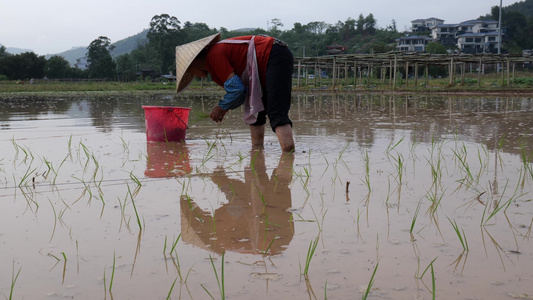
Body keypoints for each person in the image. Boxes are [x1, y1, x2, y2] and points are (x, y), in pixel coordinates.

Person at [175, 33, 295, 152]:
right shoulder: (214, 64)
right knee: (256, 113)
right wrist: (224, 108)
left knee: (276, 113)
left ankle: (288, 156)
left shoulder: (213, 56)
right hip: (263, 65)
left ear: (193, 63)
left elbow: (237, 90)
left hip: (273, 56)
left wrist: (221, 107)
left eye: (190, 71)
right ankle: (257, 153)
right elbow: (241, 92)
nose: (194, 75)